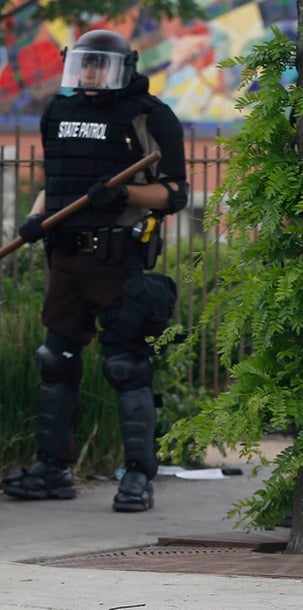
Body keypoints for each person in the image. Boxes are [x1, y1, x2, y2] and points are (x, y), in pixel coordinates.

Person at [2, 29, 188, 512]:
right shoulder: (57, 111)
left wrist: (124, 193)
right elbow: (57, 180)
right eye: (83, 64)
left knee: (126, 366)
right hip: (65, 257)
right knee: (55, 361)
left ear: (122, 67)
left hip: (117, 257)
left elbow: (174, 193)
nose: (90, 73)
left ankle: (137, 478)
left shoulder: (149, 116)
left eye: (99, 65)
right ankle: (52, 469)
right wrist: (38, 215)